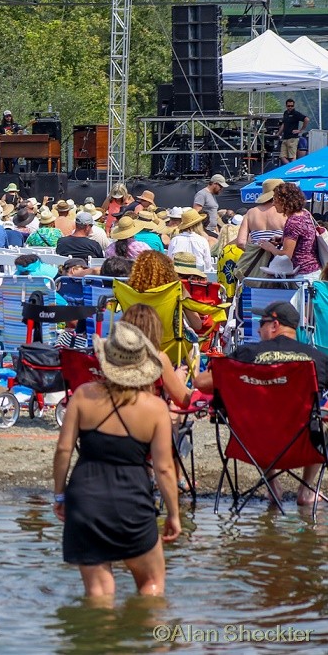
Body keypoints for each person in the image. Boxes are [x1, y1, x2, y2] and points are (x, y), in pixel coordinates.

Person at [53, 322, 180, 601]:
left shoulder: (84, 395)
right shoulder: (156, 408)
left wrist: (60, 495)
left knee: (99, 594)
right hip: (132, 503)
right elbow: (163, 468)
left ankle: (100, 641)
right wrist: (173, 514)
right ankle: (150, 641)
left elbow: (63, 450)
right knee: (152, 586)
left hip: (85, 500)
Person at [194, 301, 328, 504]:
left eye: (262, 323)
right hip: (303, 446)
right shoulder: (318, 359)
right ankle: (306, 490)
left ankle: (272, 485)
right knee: (318, 420)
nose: (257, 329)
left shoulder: (246, 354)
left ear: (274, 325)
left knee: (261, 418)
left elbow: (202, 384)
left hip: (253, 444)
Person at [256, 182, 321, 281]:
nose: (273, 204)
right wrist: (282, 240)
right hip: (313, 271)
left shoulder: (293, 222)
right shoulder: (304, 214)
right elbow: (303, 241)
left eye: (275, 200)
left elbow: (286, 255)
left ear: (284, 201)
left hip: (303, 275)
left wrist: (270, 247)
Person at [167, 208, 214, 273]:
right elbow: (208, 265)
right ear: (198, 224)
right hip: (198, 278)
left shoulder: (175, 240)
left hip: (178, 277)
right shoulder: (202, 241)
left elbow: (169, 261)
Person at [276, 98, 309, 164]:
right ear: (286, 106)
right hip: (285, 138)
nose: (290, 107)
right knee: (282, 156)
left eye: (292, 106)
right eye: (289, 106)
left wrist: (300, 130)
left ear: (294, 106)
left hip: (293, 138)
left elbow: (306, 119)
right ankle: (290, 168)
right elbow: (283, 124)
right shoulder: (285, 113)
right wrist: (279, 133)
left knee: (292, 157)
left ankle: (292, 169)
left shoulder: (295, 113)